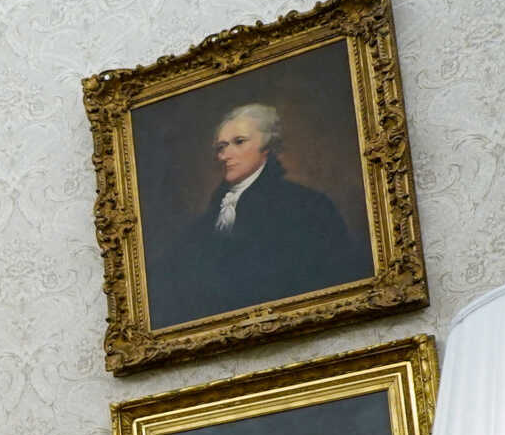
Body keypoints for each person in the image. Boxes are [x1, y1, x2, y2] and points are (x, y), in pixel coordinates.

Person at [149, 104, 370, 327]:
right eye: (221, 147)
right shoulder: (212, 217)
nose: (225, 155)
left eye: (239, 142)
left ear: (267, 147)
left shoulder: (307, 205)